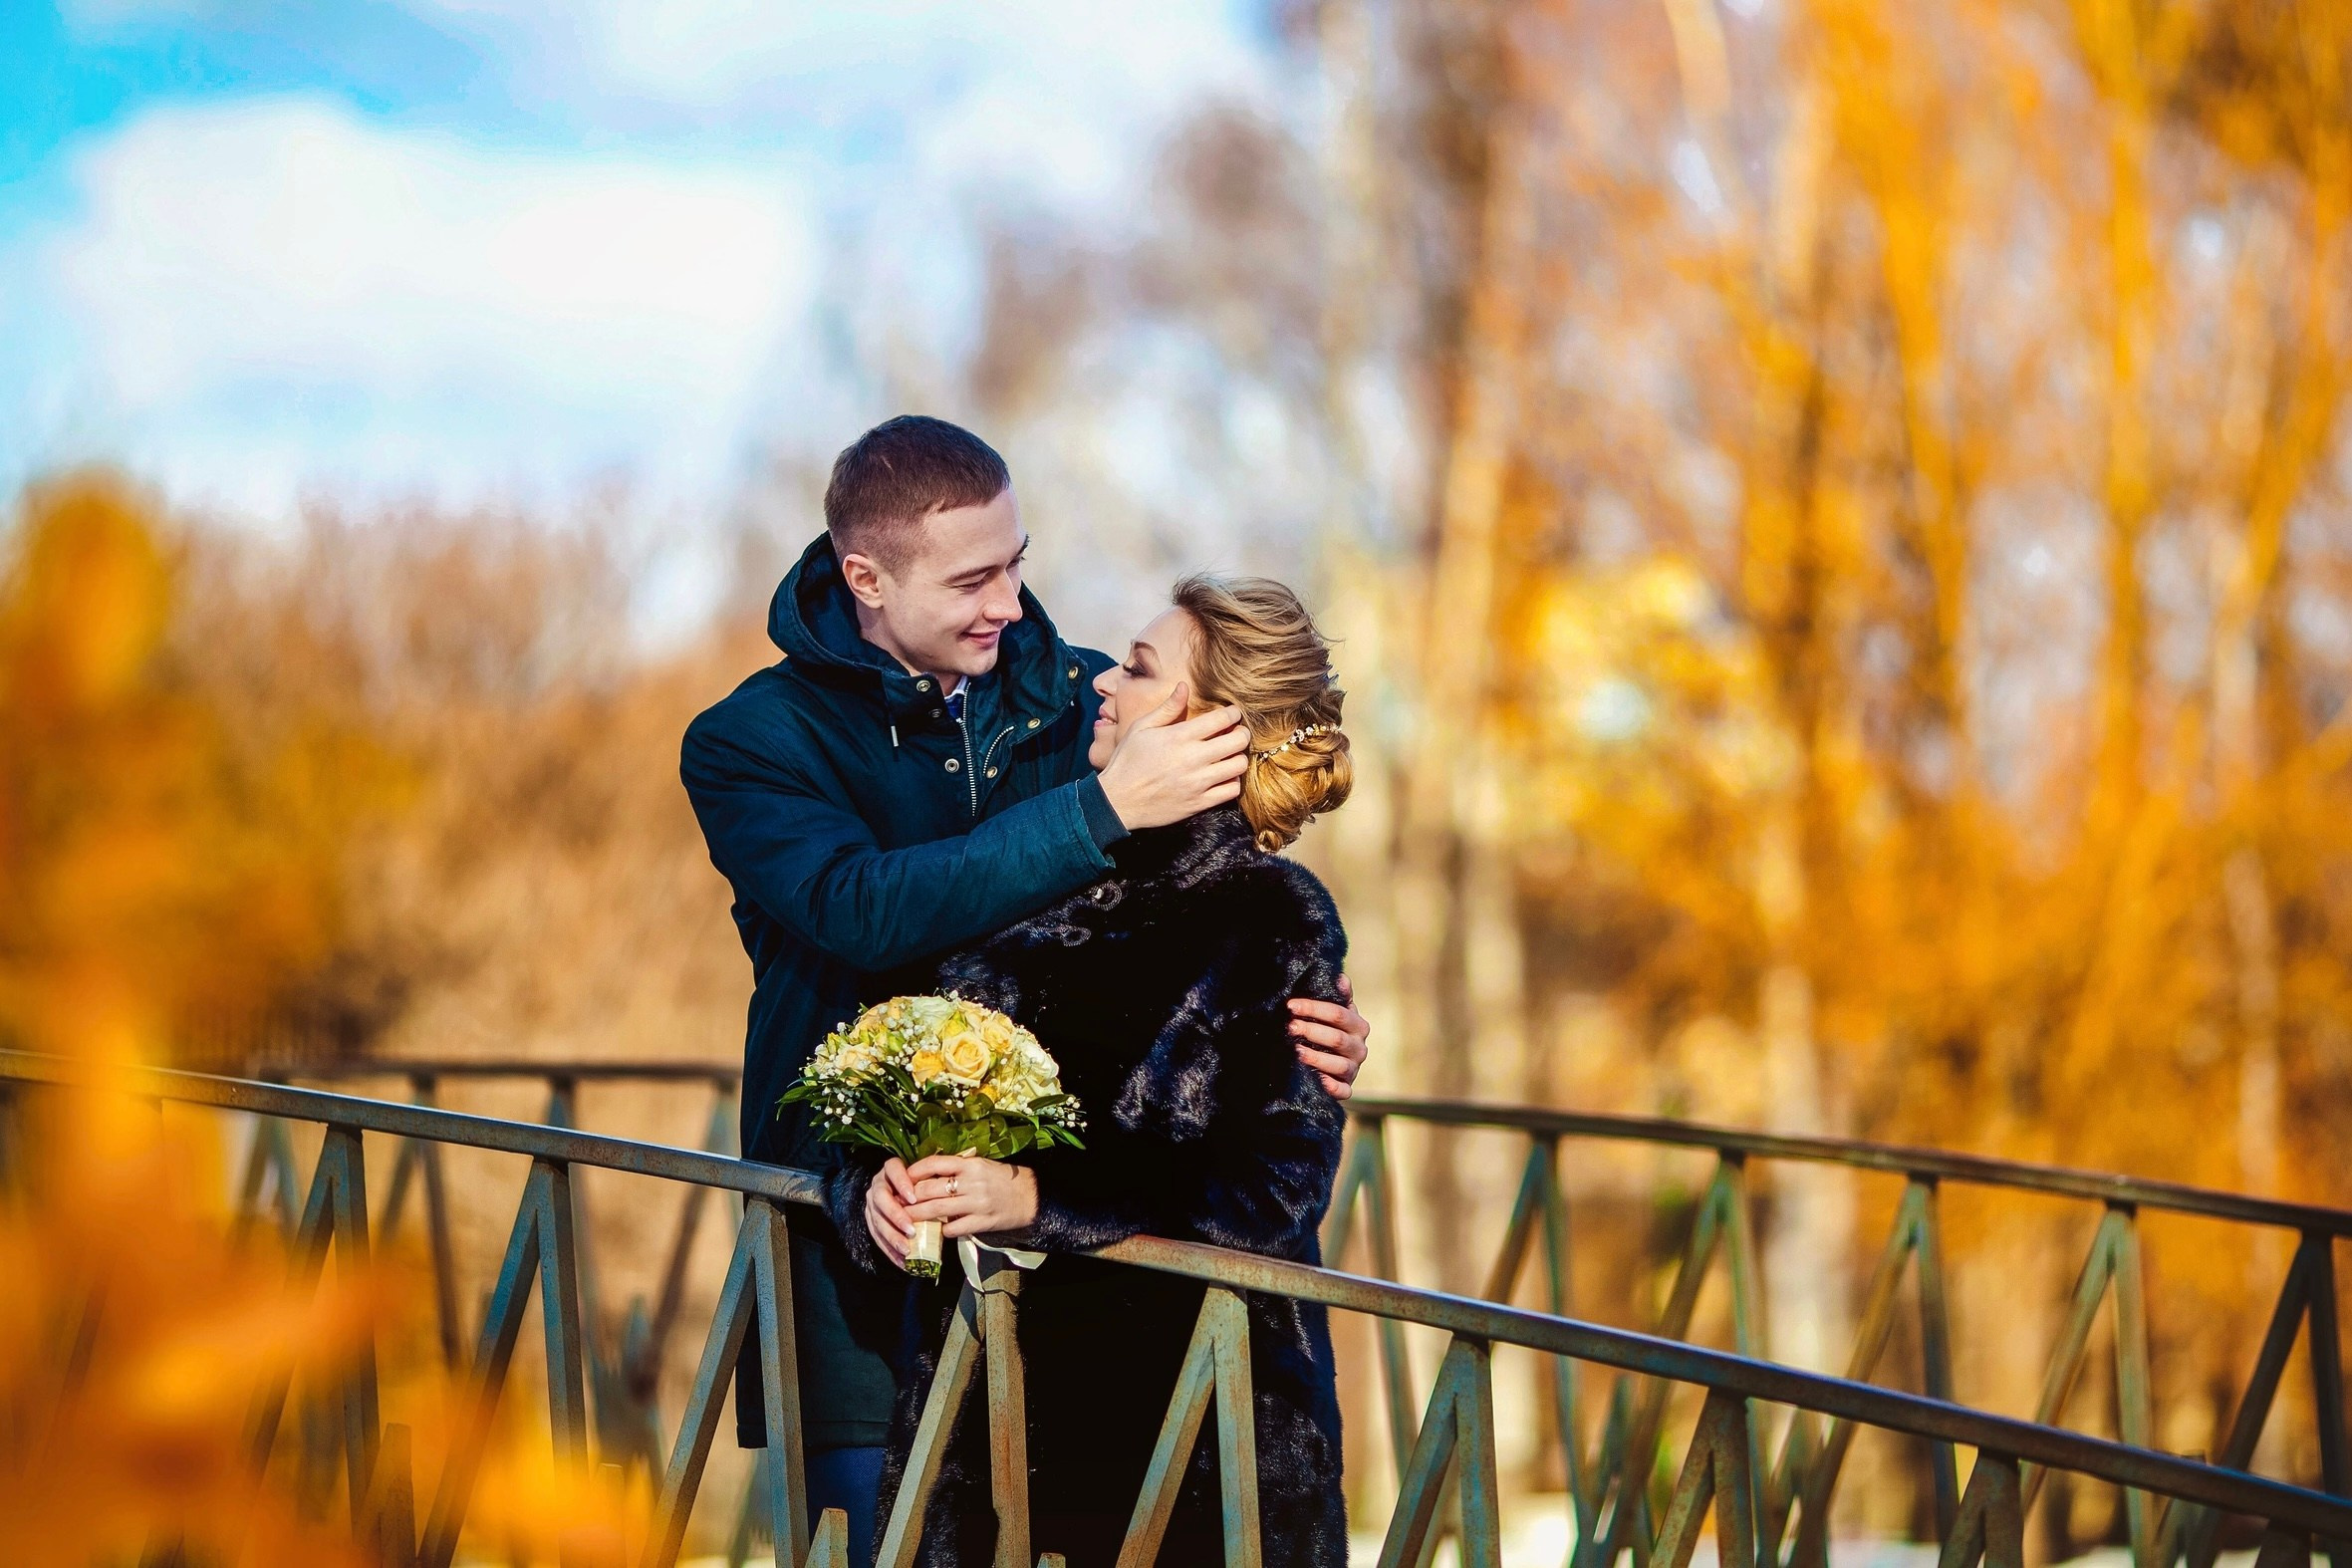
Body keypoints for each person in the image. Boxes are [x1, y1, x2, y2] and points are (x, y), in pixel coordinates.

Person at [679, 417, 1371, 1567]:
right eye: (970, 577)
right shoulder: (752, 741)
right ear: (867, 577)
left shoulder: (1082, 701)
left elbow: (1219, 884)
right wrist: (1100, 816)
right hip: (857, 1243)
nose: (1009, 600)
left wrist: (1307, 1019)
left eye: (1016, 560)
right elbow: (862, 909)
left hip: (1099, 1315)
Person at [825, 575, 1355, 1568]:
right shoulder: (1033, 876)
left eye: (1142, 668)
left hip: (1196, 1440)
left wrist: (1036, 1192)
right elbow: (915, 1092)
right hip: (988, 1442)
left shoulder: (1275, 914)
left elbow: (1278, 1185)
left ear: (1210, 726)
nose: (1106, 682)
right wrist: (875, 1189)